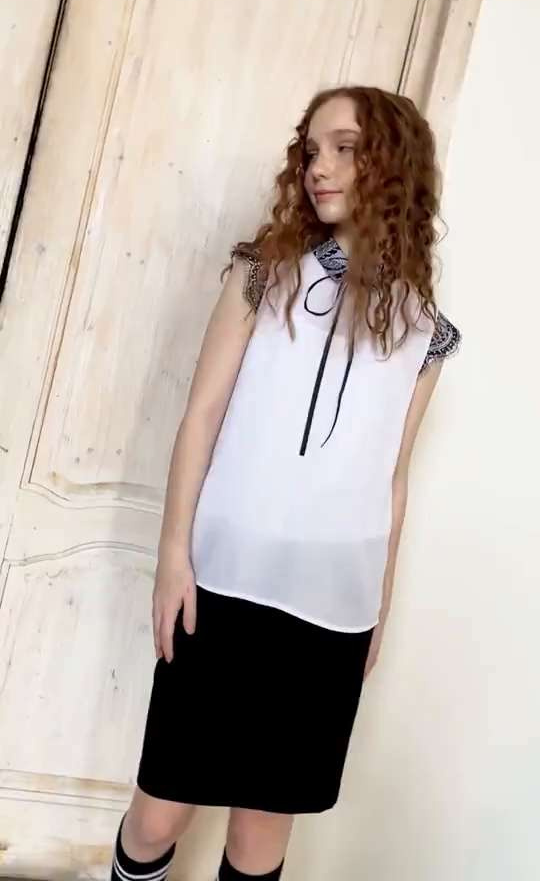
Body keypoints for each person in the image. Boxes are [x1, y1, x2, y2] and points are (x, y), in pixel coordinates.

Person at [110, 85, 461, 881]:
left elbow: (391, 479)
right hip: (223, 588)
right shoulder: (262, 278)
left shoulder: (426, 331)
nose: (318, 168)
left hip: (331, 612)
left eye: (344, 149)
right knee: (158, 815)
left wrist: (377, 608)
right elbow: (200, 417)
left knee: (259, 841)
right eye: (310, 152)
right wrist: (173, 557)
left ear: (393, 165)